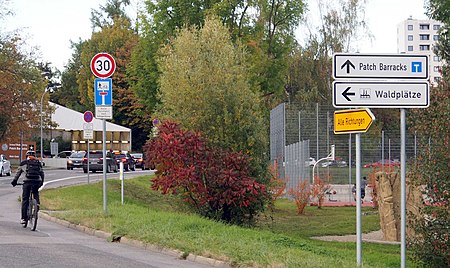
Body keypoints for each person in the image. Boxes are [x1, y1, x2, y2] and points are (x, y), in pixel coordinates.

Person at [11, 151, 45, 225]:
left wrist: (14, 181)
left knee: (25, 199)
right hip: (37, 181)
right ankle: (37, 205)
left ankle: (23, 218)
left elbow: (18, 174)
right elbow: (42, 173)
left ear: (27, 156)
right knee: (35, 192)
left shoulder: (24, 163)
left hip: (27, 182)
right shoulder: (38, 163)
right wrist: (41, 182)